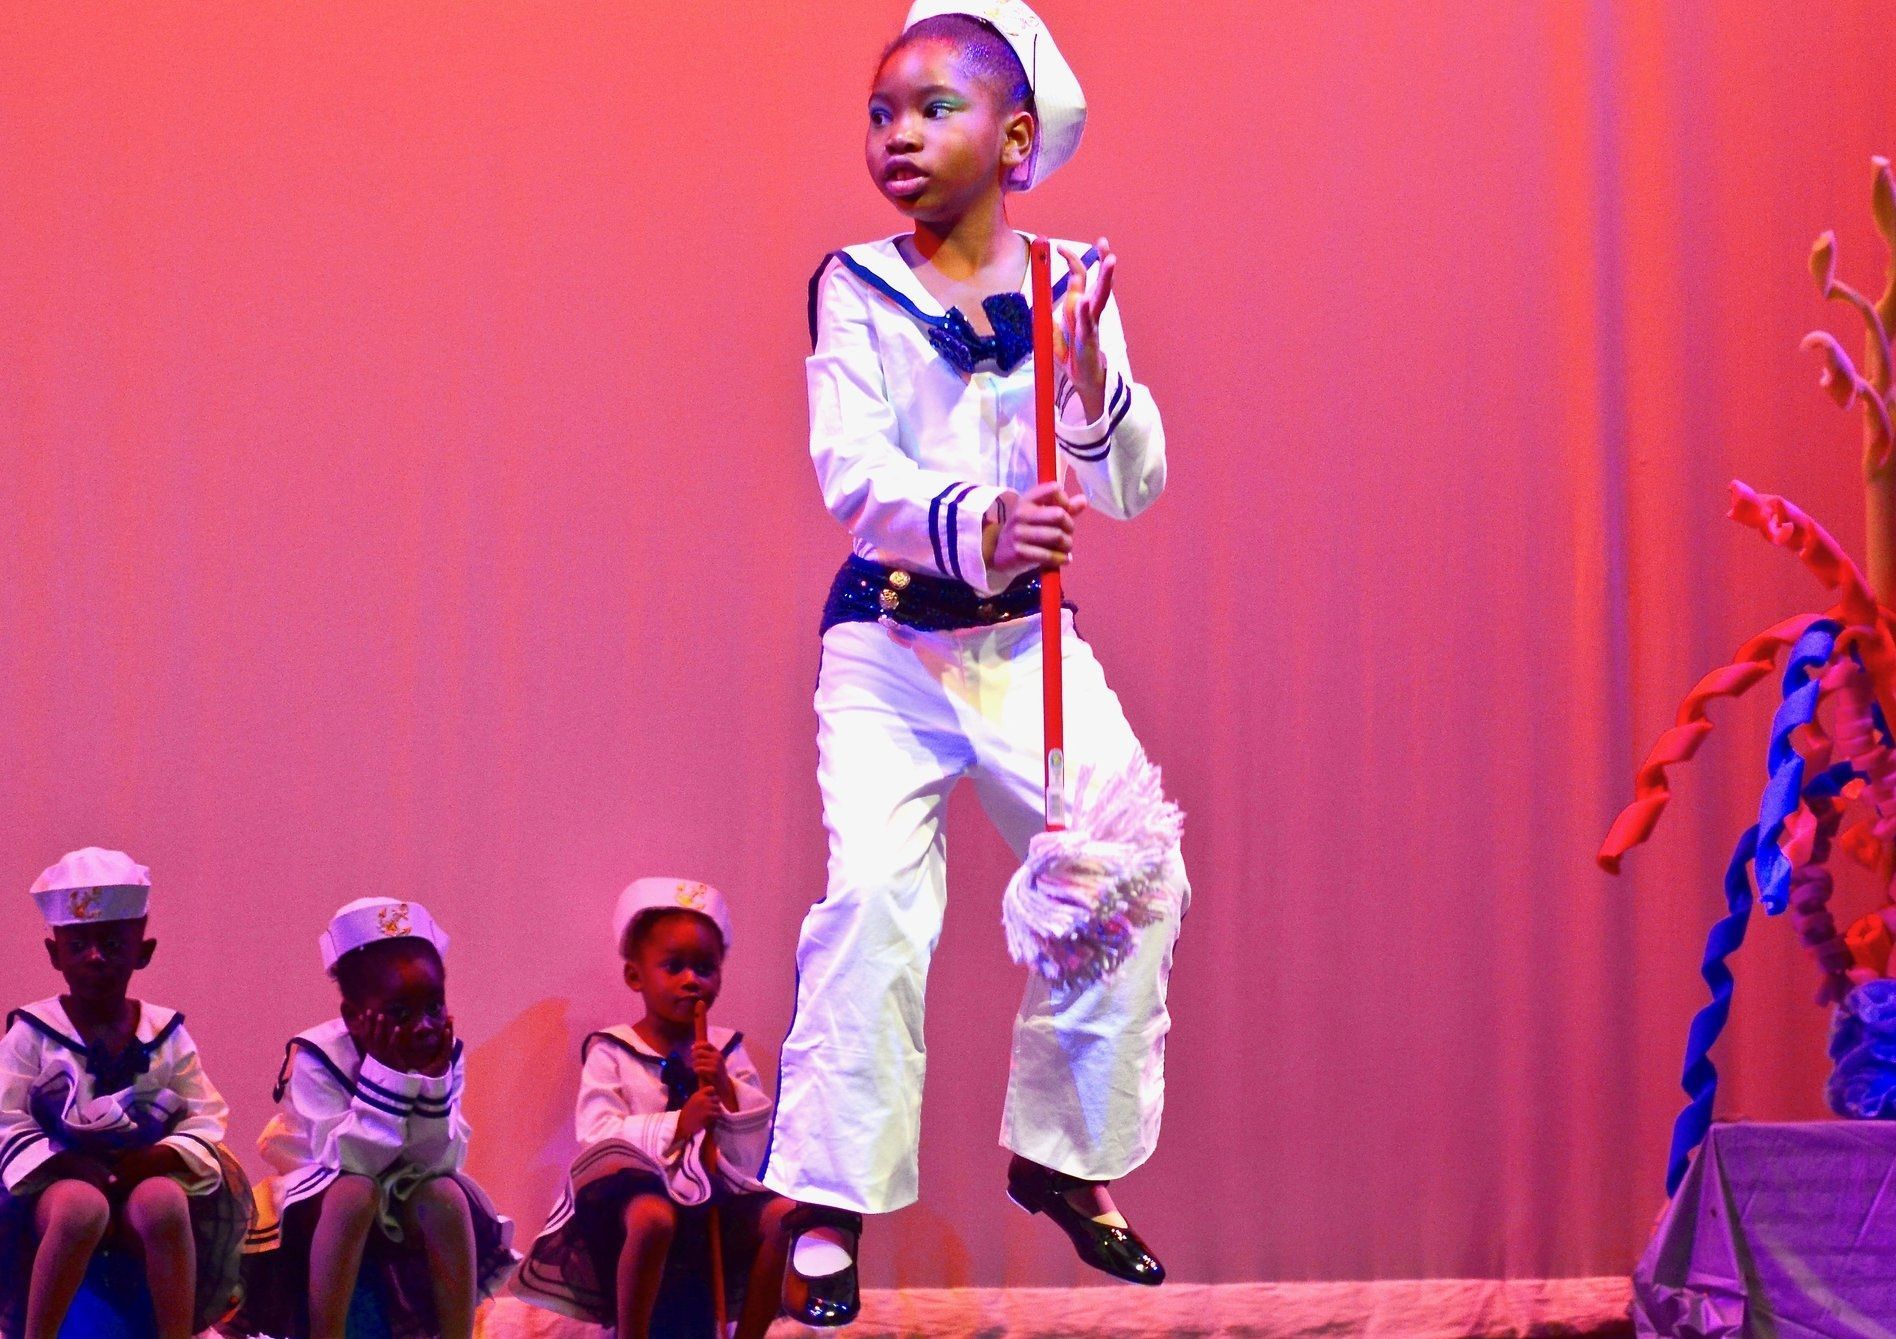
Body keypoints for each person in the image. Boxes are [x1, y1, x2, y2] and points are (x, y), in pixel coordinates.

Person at [762, 0, 1189, 1324]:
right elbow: (856, 468)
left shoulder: (1067, 281)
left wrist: (1093, 376)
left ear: (1013, 141)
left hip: (1022, 640)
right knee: (880, 900)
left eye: (932, 108)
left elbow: (1134, 481)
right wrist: (983, 518)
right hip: (888, 641)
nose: (896, 133)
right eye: (881, 111)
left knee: (1131, 871)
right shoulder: (856, 284)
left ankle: (1058, 1158)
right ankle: (830, 1190)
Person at [512, 878, 794, 1339]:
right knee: (653, 1218)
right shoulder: (612, 1050)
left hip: (714, 1193)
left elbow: (750, 1153)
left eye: (706, 967)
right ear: (635, 976)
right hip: (630, 1193)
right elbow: (596, 1135)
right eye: (674, 966)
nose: (692, 980)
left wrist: (727, 1092)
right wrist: (677, 1125)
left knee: (784, 1218)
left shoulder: (727, 1051)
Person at [226, 897, 514, 1339]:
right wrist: (388, 1075)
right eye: (400, 1013)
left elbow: (441, 1160)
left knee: (447, 1195)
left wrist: (433, 1082)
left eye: (434, 1006)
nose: (423, 1025)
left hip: (402, 1182)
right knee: (355, 1194)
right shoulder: (316, 1057)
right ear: (353, 1017)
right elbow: (346, 1160)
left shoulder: (443, 1053)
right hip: (322, 1188)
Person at [0, 847, 250, 1339]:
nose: (95, 958)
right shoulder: (32, 1032)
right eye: (79, 945)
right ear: (56, 954)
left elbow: (204, 1114)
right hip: (58, 1180)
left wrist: (160, 1156)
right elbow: (6, 1114)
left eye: (112, 945)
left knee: (164, 1204)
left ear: (143, 951)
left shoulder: (166, 1034)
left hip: (141, 1175)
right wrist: (66, 1163)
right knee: (79, 1209)